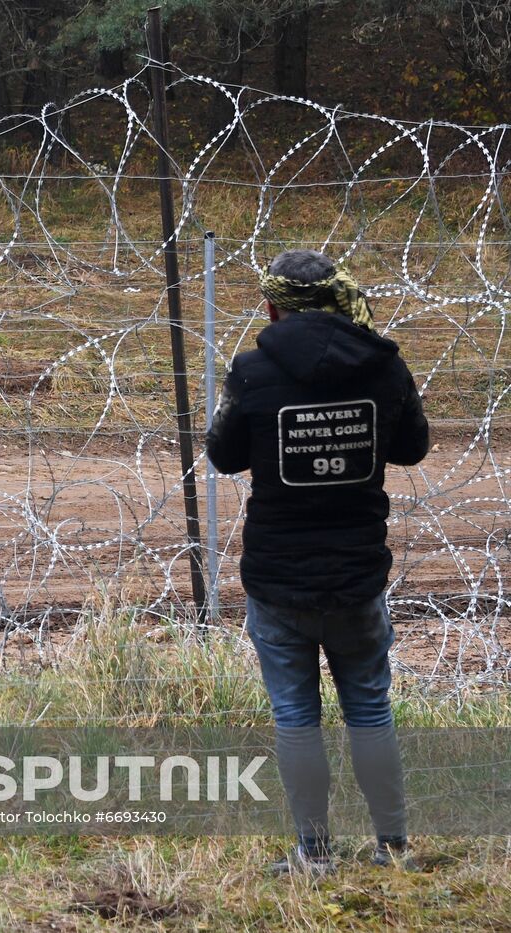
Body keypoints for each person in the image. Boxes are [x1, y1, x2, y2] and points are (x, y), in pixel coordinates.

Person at [207, 249, 429, 875]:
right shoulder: (383, 366)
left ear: (272, 306)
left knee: (296, 717)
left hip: (278, 579)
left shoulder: (251, 371)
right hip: (358, 576)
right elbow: (413, 448)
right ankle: (392, 848)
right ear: (337, 301)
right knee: (369, 708)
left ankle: (314, 854)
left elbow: (223, 456)